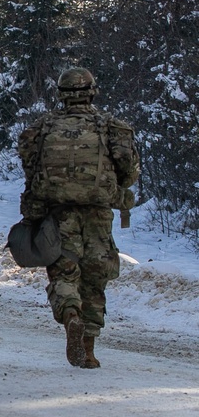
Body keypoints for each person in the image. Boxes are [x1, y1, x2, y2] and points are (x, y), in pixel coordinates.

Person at [17, 67, 139, 369]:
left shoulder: (42, 127)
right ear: (92, 92)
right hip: (98, 212)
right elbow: (128, 170)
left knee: (64, 271)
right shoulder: (112, 127)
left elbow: (29, 167)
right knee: (96, 275)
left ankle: (71, 314)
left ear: (61, 95)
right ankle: (88, 346)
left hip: (58, 213)